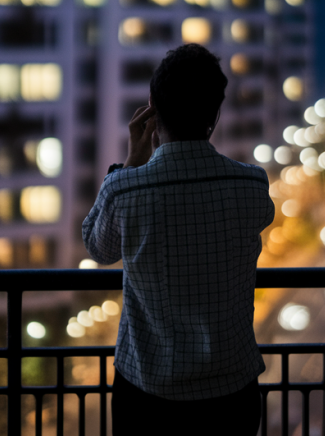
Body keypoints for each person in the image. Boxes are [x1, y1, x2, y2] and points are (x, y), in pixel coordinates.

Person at [82, 44, 275, 436]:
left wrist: (130, 163)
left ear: (152, 108)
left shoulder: (126, 190)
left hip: (149, 396)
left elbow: (96, 247)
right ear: (215, 113)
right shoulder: (252, 185)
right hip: (231, 395)